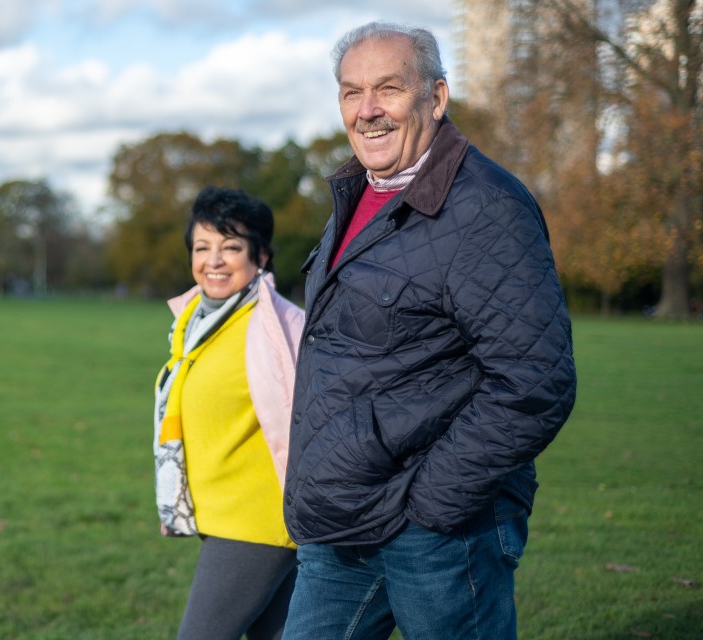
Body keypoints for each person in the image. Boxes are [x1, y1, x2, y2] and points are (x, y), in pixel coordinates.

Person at [281, 22, 577, 640]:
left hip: (438, 532)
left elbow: (534, 381)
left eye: (388, 88)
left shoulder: (486, 206)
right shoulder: (356, 193)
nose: (367, 110)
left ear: (436, 98)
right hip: (343, 518)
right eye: (351, 92)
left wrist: (433, 505)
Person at [153, 185, 305, 640]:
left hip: (256, 520)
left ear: (260, 256)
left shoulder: (281, 325)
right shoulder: (195, 321)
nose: (214, 260)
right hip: (222, 515)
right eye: (202, 247)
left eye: (231, 246)